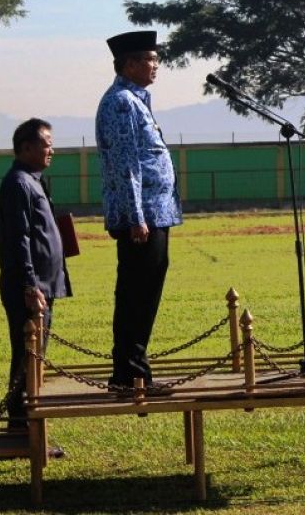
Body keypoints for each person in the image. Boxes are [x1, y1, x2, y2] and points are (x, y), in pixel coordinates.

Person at [96, 30, 183, 389]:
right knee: (136, 293)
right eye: (149, 59)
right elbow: (126, 164)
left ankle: (133, 370)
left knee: (146, 292)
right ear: (129, 63)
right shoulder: (121, 103)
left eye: (156, 59)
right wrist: (136, 218)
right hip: (142, 218)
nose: (155, 66)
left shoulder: (136, 100)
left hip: (155, 213)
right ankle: (131, 374)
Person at [0, 118, 71, 429]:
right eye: (45, 143)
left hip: (43, 285)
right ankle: (23, 428)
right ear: (26, 148)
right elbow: (18, 237)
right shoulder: (18, 183)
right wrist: (30, 284)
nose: (51, 149)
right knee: (29, 358)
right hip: (31, 289)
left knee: (33, 357)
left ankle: (24, 426)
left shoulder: (32, 180)